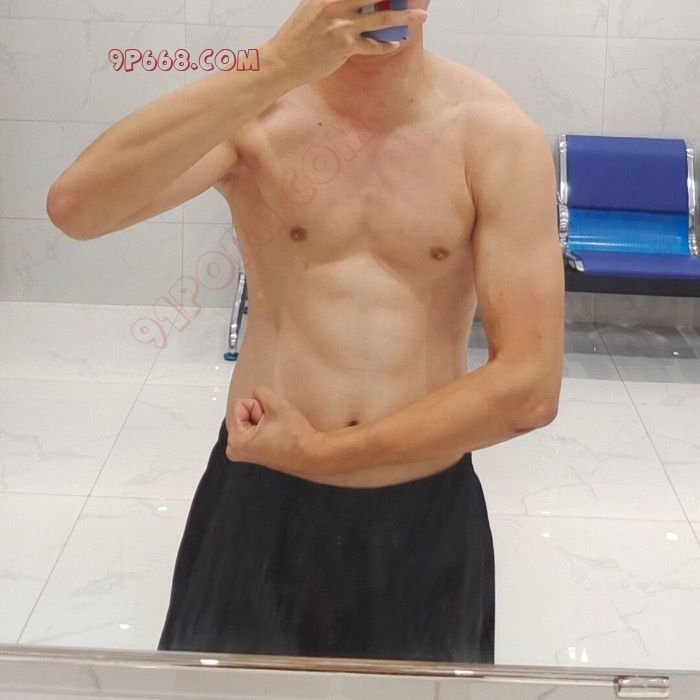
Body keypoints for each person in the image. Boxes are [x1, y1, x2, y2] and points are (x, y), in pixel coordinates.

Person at [47, 0, 564, 664]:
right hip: (260, 501)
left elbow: (530, 386)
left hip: (423, 513)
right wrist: (274, 65)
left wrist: (322, 453)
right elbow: (77, 208)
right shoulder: (257, 113)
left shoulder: (494, 136)